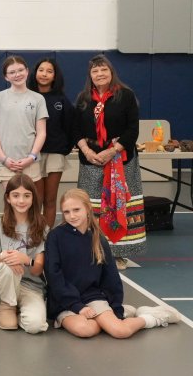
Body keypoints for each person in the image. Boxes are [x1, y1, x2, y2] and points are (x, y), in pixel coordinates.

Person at [45, 189, 181, 338]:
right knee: (85, 329)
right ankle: (116, 316)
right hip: (65, 301)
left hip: (92, 297)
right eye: (66, 212)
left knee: (120, 331)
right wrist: (77, 306)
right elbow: (54, 275)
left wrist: (116, 308)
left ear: (88, 208)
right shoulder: (55, 236)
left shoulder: (98, 238)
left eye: (76, 210)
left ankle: (151, 318)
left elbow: (111, 277)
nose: (72, 215)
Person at [73, 54, 146, 269]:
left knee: (117, 204)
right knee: (91, 206)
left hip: (120, 160)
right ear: (90, 75)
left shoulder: (125, 96)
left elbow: (133, 128)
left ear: (111, 72)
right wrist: (87, 151)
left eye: (104, 69)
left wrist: (112, 151)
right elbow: (75, 129)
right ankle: (91, 250)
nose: (100, 74)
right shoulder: (84, 98)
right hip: (91, 161)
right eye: (95, 71)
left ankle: (118, 254)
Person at [0, 174, 48, 333]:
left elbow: (38, 269)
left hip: (31, 287)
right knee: (8, 263)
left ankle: (21, 313)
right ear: (8, 198)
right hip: (5, 285)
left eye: (26, 195)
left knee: (35, 326)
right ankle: (7, 305)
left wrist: (26, 260)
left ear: (33, 198)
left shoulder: (42, 226)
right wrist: (4, 257)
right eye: (16, 195)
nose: (21, 200)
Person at [27, 58, 75, 227]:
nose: (44, 74)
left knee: (50, 199)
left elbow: (70, 126)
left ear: (55, 76)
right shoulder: (28, 97)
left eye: (49, 71)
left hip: (55, 154)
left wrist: (64, 149)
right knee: (36, 199)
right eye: (41, 70)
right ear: (35, 73)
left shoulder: (61, 100)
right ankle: (34, 235)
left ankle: (47, 236)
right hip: (33, 155)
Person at [0, 55, 48, 188]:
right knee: (11, 198)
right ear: (6, 77)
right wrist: (3, 158)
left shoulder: (38, 99)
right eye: (12, 72)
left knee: (29, 198)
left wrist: (31, 157)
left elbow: (41, 133)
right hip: (6, 162)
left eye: (20, 70)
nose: (17, 74)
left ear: (27, 71)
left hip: (30, 162)